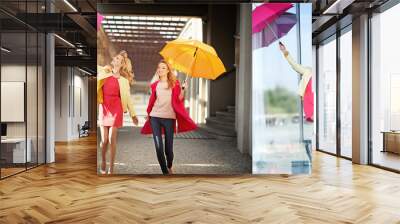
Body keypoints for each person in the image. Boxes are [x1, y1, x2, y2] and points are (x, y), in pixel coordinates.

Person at [141, 60, 197, 175]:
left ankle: (169, 164)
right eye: (159, 67)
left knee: (168, 149)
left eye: (163, 68)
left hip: (169, 118)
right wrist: (148, 113)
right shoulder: (155, 85)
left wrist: (183, 89)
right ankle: (165, 172)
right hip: (155, 117)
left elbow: (179, 99)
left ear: (167, 70)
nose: (160, 69)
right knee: (158, 146)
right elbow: (152, 101)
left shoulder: (174, 84)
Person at [97, 51, 139, 175]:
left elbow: (128, 98)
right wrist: (105, 68)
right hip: (104, 107)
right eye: (115, 57)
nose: (114, 59)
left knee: (111, 138)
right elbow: (96, 68)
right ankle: (103, 160)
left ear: (121, 64)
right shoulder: (104, 72)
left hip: (116, 108)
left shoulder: (124, 81)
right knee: (104, 140)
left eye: (117, 59)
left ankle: (112, 167)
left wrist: (133, 115)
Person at [279, 42, 314, 122]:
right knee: (315, 123)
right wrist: (285, 51)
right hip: (308, 101)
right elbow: (295, 65)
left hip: (318, 101)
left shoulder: (322, 74)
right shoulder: (308, 71)